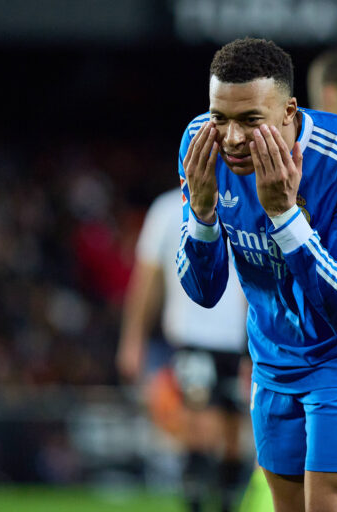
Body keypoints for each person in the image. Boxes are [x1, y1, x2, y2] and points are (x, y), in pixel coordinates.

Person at [177, 37, 337, 512]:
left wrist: (285, 217)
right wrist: (201, 215)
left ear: (289, 110)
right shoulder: (201, 145)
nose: (232, 138)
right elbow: (203, 291)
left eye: (250, 121)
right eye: (220, 117)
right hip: (275, 355)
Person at [116, 188, 249, 512]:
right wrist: (133, 340)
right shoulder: (166, 210)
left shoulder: (243, 201)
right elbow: (147, 279)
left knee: (234, 439)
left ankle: (226, 505)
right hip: (192, 336)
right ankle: (195, 505)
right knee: (199, 431)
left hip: (240, 341)